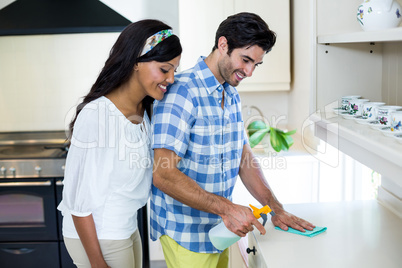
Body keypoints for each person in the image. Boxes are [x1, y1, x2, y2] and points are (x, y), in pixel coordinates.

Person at [150, 12, 315, 268]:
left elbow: (244, 158)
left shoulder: (231, 94)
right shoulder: (182, 92)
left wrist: (276, 208)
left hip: (220, 230)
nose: (249, 72)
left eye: (256, 64)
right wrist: (228, 209)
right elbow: (163, 174)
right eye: (245, 59)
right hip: (187, 234)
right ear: (223, 45)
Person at [57, 19, 181, 268]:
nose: (172, 78)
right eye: (165, 69)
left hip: (125, 225)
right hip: (101, 234)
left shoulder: (144, 110)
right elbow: (78, 202)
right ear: (137, 62)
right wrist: (96, 262)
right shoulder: (98, 116)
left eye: (175, 70)